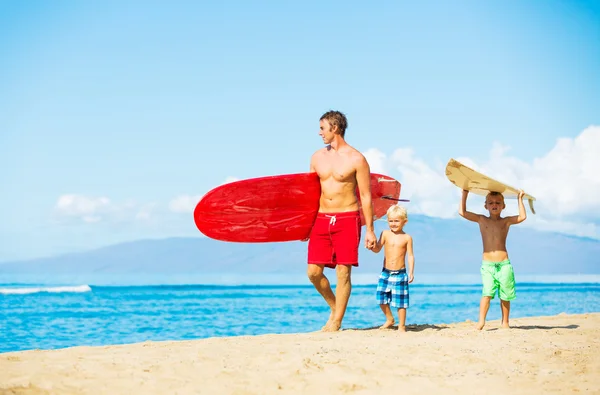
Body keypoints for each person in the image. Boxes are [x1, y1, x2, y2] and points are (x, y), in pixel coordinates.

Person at [305, 110, 377, 332]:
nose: (319, 133)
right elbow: (309, 194)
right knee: (313, 273)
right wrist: (305, 224)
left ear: (334, 128)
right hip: (321, 218)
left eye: (322, 128)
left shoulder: (357, 159)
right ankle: (336, 308)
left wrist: (370, 230)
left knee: (343, 272)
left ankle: (336, 322)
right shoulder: (317, 157)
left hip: (347, 217)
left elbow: (365, 196)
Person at [459, 189, 527, 330]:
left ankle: (505, 322)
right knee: (487, 293)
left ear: (503, 206)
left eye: (498, 203)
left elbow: (522, 217)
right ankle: (481, 322)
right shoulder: (481, 220)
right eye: (491, 203)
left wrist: (519, 199)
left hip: (504, 264)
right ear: (486, 206)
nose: (494, 205)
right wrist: (465, 193)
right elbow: (462, 212)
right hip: (488, 265)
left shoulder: (506, 221)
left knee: (505, 294)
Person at [370, 205, 414, 332]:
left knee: (401, 302)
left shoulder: (407, 238)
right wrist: (372, 247)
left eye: (396, 221)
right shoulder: (385, 234)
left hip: (400, 273)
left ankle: (402, 325)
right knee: (380, 297)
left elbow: (410, 256)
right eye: (391, 221)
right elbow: (377, 249)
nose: (393, 224)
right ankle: (389, 319)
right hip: (386, 272)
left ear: (404, 222)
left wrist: (411, 272)